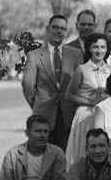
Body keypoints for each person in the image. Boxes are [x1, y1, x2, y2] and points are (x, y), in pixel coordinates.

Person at [21, 14, 81, 149]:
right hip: (43, 116)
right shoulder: (34, 55)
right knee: (43, 158)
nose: (58, 31)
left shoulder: (75, 54)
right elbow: (28, 86)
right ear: (48, 29)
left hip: (68, 116)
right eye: (55, 27)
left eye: (62, 29)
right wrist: (38, 105)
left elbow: (80, 85)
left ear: (66, 32)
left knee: (66, 157)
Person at [64, 33, 111, 167]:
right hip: (85, 114)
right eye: (95, 47)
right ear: (89, 49)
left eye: (103, 47)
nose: (99, 50)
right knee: (83, 150)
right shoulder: (82, 69)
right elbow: (68, 95)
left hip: (105, 115)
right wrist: (89, 102)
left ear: (107, 49)